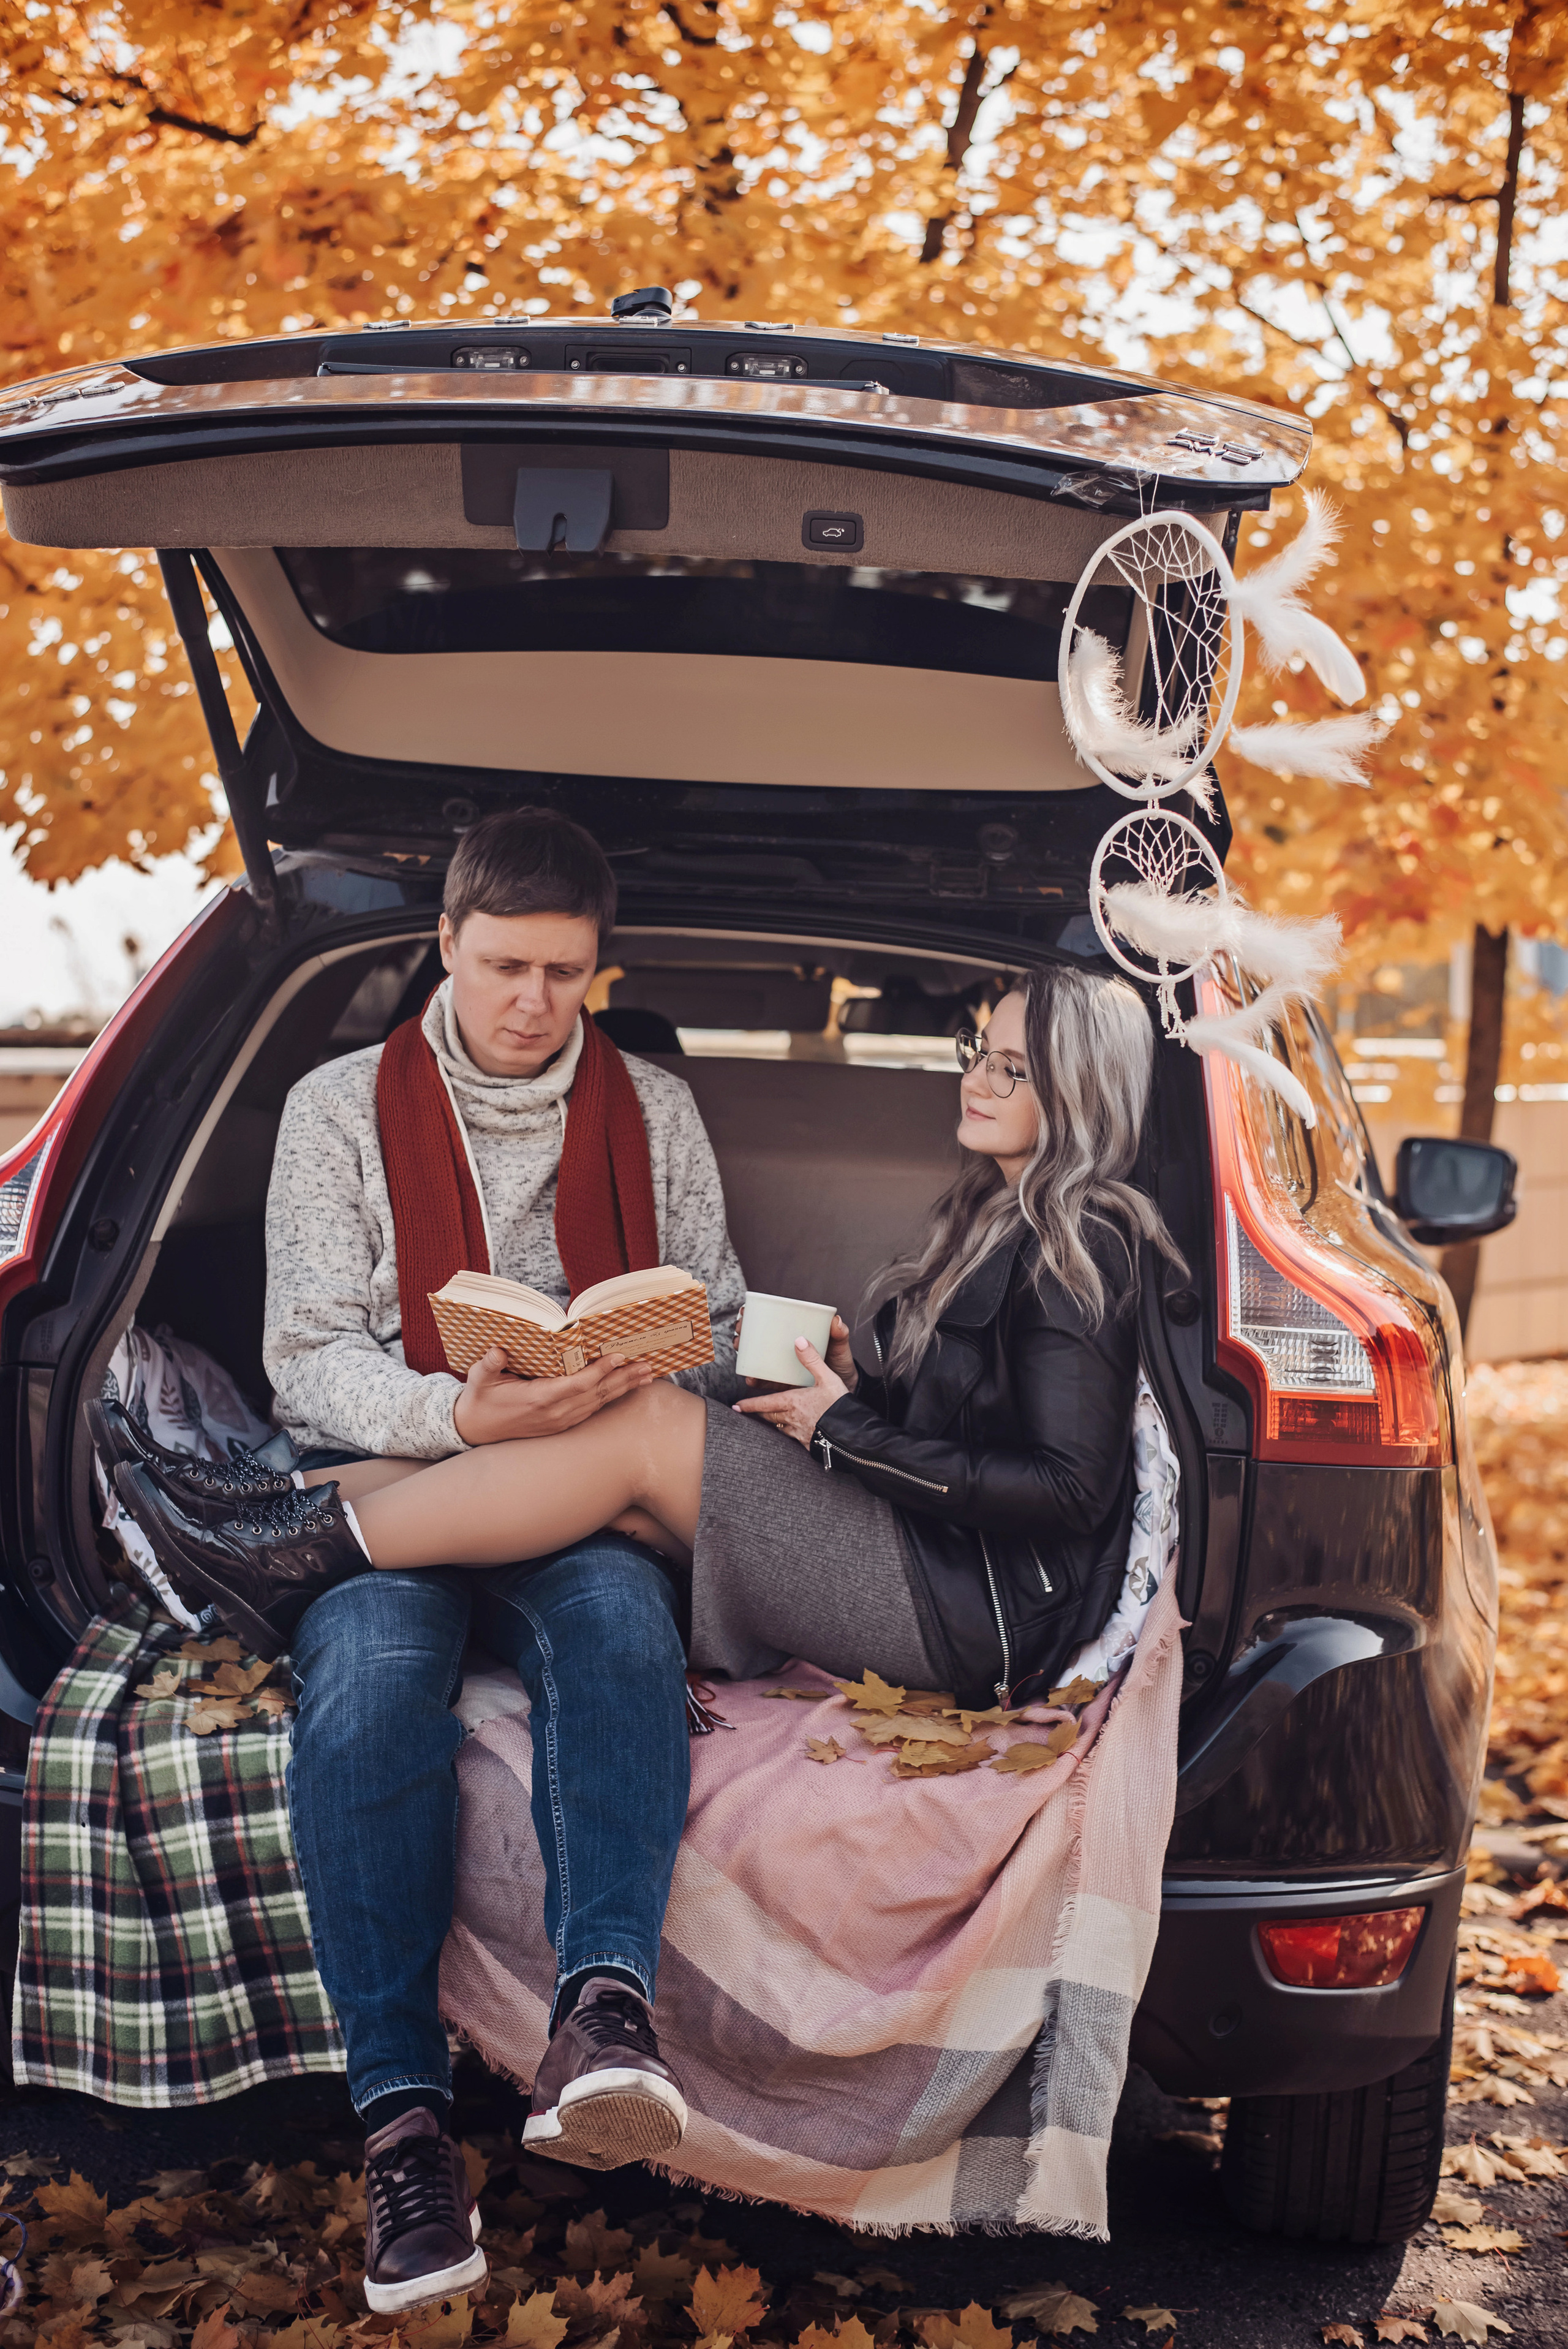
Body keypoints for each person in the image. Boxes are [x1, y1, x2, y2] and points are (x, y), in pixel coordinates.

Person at [111, 961, 1183, 2242]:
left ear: (1081, 1093)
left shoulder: (1087, 1237)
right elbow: (971, 1419)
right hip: (922, 1548)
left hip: (962, 1613)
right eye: (978, 1048)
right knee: (615, 1488)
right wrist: (853, 1377)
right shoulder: (995, 1210)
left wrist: (846, 1432)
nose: (977, 1075)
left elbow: (1060, 1490)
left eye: (1014, 1066)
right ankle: (290, 1511)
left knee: (635, 1425)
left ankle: (292, 1543)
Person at [92, 805, 745, 2317]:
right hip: (393, 1476)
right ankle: (398, 2126)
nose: (531, 1000)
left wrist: (626, 1388)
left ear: (599, 967)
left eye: (563, 973)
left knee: (619, 1633)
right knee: (374, 1681)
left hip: (579, 1493)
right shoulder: (333, 1108)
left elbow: (701, 1310)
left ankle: (602, 2020)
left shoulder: (655, 1106)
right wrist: (461, 1408)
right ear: (443, 945)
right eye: (503, 963)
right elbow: (304, 1361)